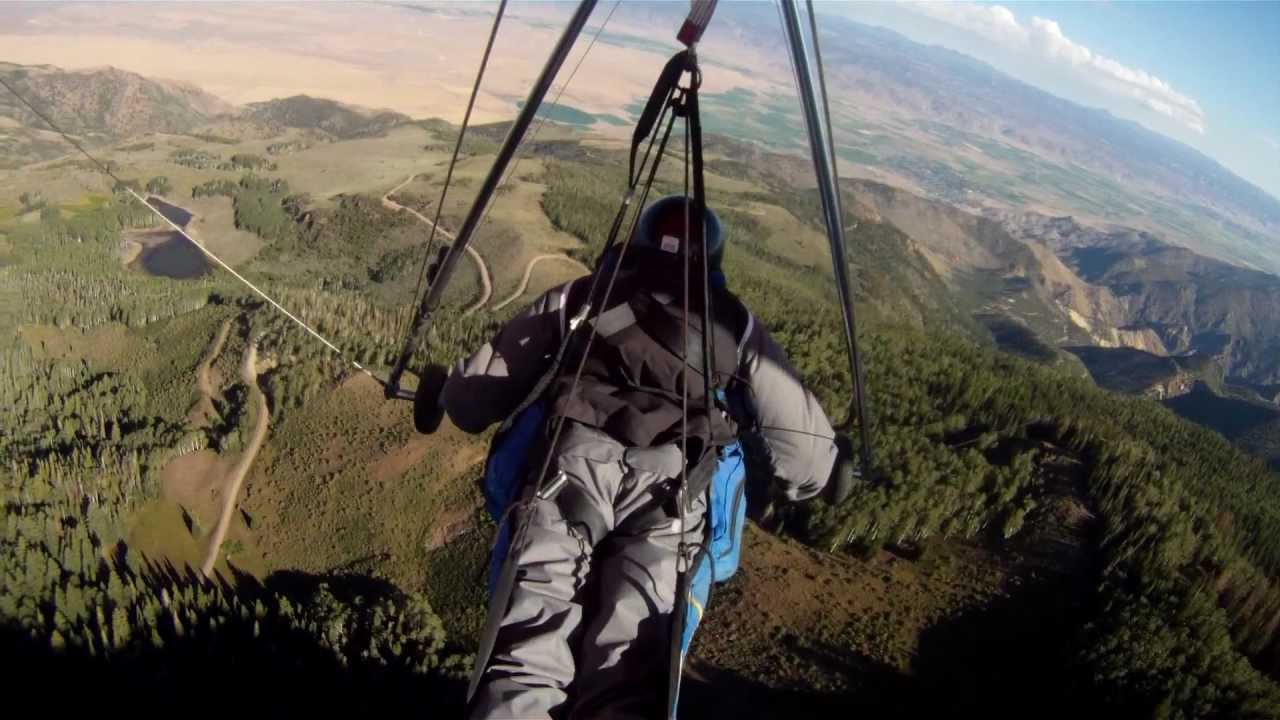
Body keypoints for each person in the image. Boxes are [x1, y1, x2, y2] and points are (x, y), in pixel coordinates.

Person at [441, 195, 845, 719]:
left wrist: (446, 394)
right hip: (672, 494)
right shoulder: (735, 326)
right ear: (713, 262)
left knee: (526, 654)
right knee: (630, 668)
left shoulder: (583, 297)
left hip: (567, 473)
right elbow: (803, 457)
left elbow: (474, 397)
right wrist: (831, 473)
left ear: (639, 243)